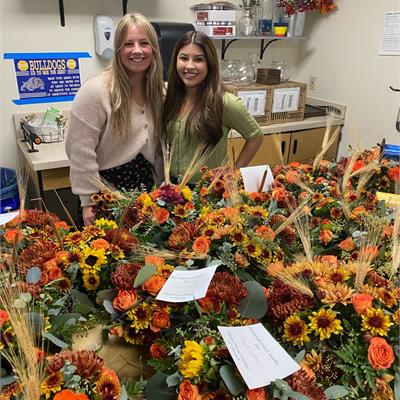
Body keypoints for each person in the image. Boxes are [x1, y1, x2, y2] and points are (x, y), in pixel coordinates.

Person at [66, 13, 164, 226]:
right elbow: (79, 151)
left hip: (146, 195)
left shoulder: (159, 93)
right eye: (129, 44)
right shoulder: (95, 92)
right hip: (104, 194)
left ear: (154, 49)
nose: (137, 50)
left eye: (144, 43)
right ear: (118, 49)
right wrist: (88, 202)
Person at [163, 30, 263, 184]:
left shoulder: (225, 102)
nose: (189, 66)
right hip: (174, 188)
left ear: (209, 64)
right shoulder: (171, 99)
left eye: (198, 59)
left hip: (208, 191)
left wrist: (234, 174)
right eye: (184, 58)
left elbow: (255, 136)